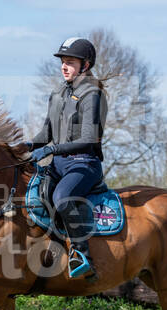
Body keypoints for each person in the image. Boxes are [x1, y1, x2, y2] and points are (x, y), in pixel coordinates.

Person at [27, 37, 108, 280]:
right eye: (63, 62)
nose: (64, 67)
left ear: (85, 65)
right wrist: (25, 147)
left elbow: (88, 139)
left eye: (70, 62)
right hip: (59, 165)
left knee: (62, 198)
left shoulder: (92, 94)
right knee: (28, 193)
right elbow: (46, 134)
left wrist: (51, 150)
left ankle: (82, 255)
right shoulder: (58, 93)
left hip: (84, 164)